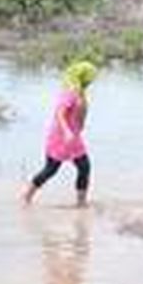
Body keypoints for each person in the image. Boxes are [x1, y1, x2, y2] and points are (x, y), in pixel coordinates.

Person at [21, 61, 98, 208]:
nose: (91, 82)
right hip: (61, 137)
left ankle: (81, 202)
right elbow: (60, 113)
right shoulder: (70, 93)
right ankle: (27, 195)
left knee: (84, 167)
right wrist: (66, 131)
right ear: (83, 77)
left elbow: (80, 117)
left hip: (74, 138)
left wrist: (78, 129)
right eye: (90, 78)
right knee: (51, 169)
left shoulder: (80, 93)